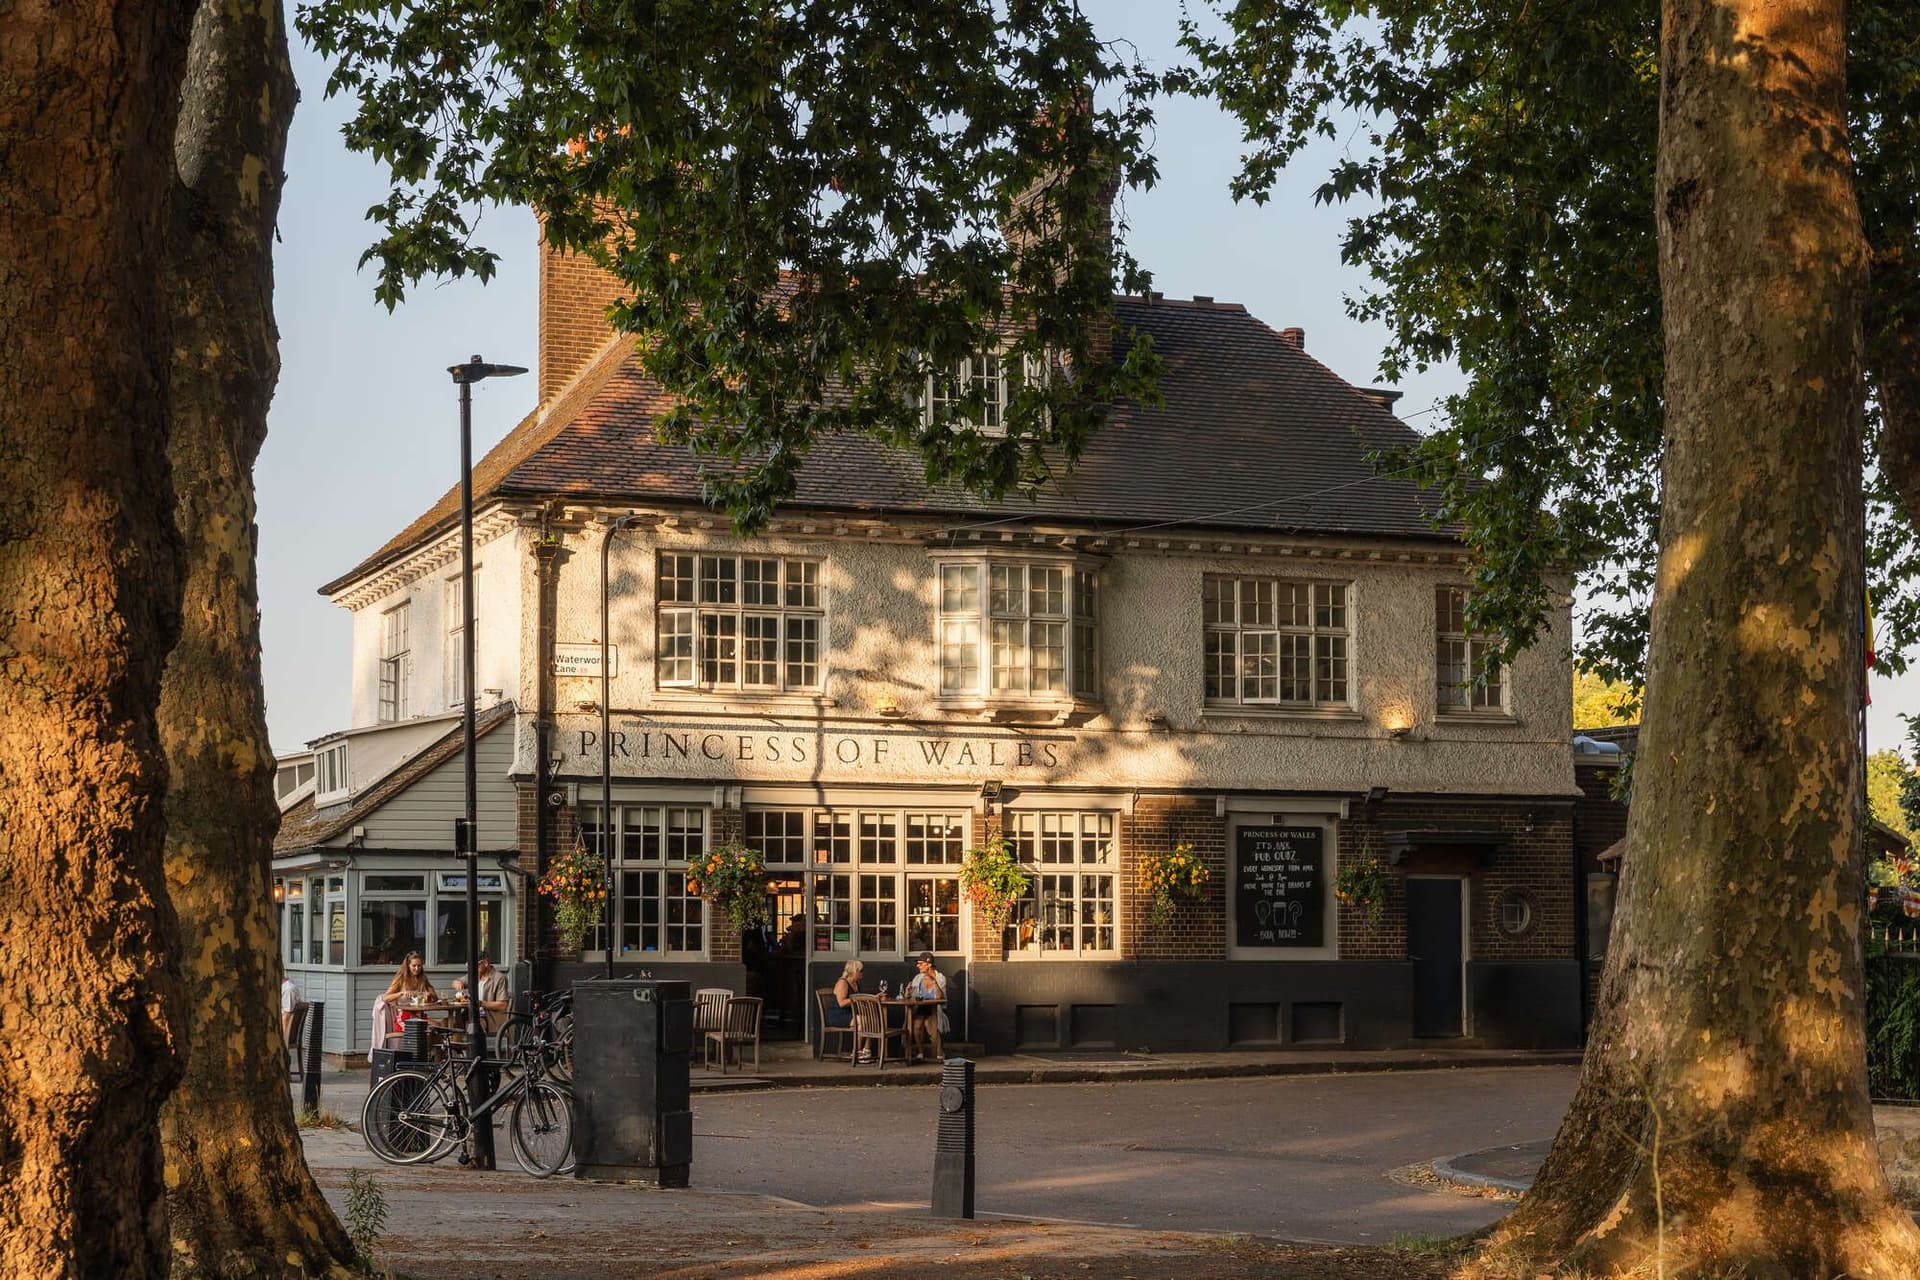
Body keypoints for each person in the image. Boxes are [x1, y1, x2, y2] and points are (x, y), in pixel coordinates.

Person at [379, 950, 437, 1035]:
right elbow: (385, 998)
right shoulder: (401, 979)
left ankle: (430, 1048)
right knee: (428, 1030)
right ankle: (424, 1048)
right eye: (414, 966)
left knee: (439, 1027)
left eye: (419, 966)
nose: (417, 969)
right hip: (404, 1019)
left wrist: (429, 995)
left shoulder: (422, 979)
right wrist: (401, 993)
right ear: (408, 966)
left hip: (419, 1016)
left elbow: (435, 998)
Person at [905, 952, 948, 1061]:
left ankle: (939, 1051)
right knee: (917, 1025)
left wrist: (934, 983)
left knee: (929, 1024)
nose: (917, 966)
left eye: (920, 963)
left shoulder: (940, 978)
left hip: (935, 1009)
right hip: (921, 1008)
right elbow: (910, 997)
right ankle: (920, 1052)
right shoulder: (918, 978)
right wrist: (908, 992)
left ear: (929, 964)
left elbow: (940, 998)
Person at [825, 959, 871, 1062]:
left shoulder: (856, 984)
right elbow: (841, 1003)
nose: (863, 973)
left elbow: (859, 999)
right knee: (863, 1021)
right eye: (861, 970)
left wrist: (874, 998)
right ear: (855, 971)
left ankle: (866, 1051)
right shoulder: (843, 983)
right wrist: (857, 999)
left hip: (851, 1014)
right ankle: (857, 1052)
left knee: (872, 1019)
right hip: (838, 1015)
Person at [470, 953, 510, 1036]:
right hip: (472, 1014)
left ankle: (476, 1048)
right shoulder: (475, 975)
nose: (473, 968)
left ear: (485, 963)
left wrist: (480, 1003)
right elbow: (459, 981)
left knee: (474, 1026)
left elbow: (502, 1005)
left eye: (476, 965)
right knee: (452, 1023)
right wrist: (458, 982)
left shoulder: (499, 978)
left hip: (488, 1018)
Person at [280, 974, 304, 1049]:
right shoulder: (288, 987)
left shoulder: (288, 990)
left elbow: (286, 1017)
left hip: (286, 1035)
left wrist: (283, 1039)